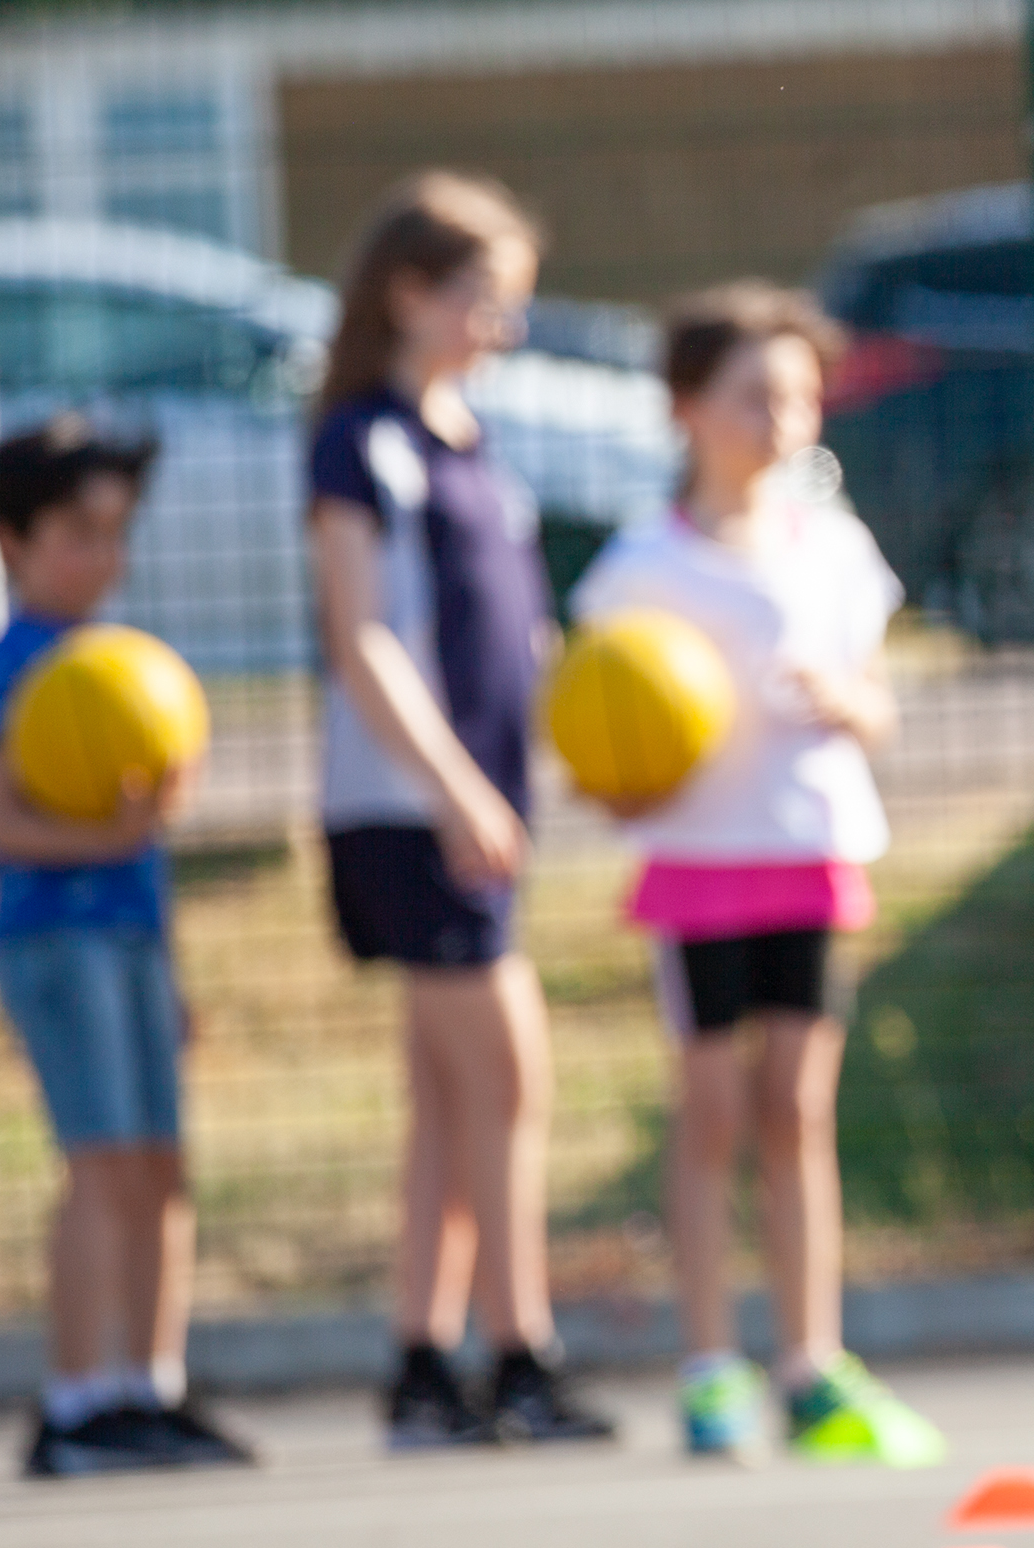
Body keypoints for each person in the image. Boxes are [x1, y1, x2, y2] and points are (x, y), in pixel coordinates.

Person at [567, 283, 946, 1466]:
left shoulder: (834, 545)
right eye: (754, 394)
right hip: (697, 865)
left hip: (812, 851)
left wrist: (854, 705)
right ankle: (706, 1365)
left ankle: (811, 1361)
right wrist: (614, 785)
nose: (784, 416)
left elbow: (877, 704)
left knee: (797, 1109)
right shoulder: (639, 565)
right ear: (687, 408)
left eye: (798, 394)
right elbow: (592, 732)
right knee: (713, 1111)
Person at [308, 171, 613, 1450]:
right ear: (410, 293)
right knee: (508, 1075)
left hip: (475, 809)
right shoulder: (359, 441)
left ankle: (424, 1365)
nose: (506, 326)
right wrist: (452, 787)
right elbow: (361, 635)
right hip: (410, 811)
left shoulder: (471, 441)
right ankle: (520, 1353)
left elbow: (516, 634)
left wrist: (573, 747)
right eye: (486, 299)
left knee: (450, 1098)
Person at [0, 416, 256, 1478]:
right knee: (99, 1165)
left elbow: (141, 851)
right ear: (12, 537)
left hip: (131, 938)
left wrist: (170, 966)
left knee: (160, 1166)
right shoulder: (11, 669)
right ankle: (75, 1398)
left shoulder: (118, 667)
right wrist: (119, 830)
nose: (102, 554)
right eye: (77, 531)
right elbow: (0, 825)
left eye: (114, 532)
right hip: (55, 942)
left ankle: (151, 1382)